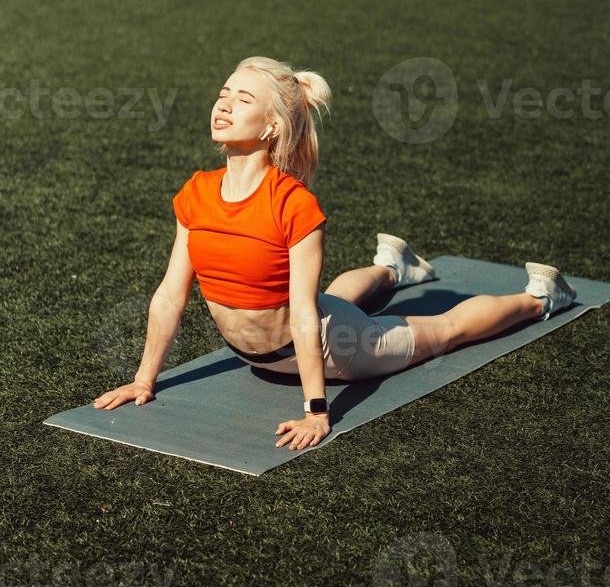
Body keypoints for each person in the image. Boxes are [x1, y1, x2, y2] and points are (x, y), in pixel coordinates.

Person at [93, 55, 577, 452]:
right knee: (332, 299)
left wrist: (317, 410)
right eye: (223, 95)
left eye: (243, 100)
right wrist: (143, 380)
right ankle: (392, 270)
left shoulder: (293, 204)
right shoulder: (196, 193)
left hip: (336, 349)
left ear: (272, 127)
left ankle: (541, 297)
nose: (223, 106)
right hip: (260, 354)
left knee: (442, 332)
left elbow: (304, 313)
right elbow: (170, 296)